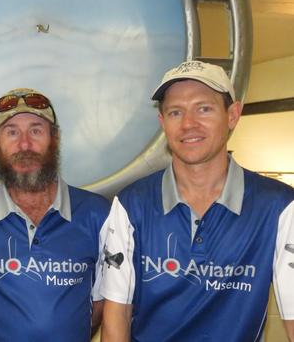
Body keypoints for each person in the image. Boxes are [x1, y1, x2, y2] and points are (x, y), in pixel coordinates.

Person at [100, 60, 294, 341]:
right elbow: (117, 312)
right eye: (175, 112)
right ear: (162, 123)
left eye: (204, 108)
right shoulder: (132, 205)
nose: (189, 124)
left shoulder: (279, 206)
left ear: (232, 115)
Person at [0, 88, 110, 341]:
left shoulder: (99, 215)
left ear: (55, 138)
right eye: (12, 132)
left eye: (36, 130)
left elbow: (102, 306)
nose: (24, 144)